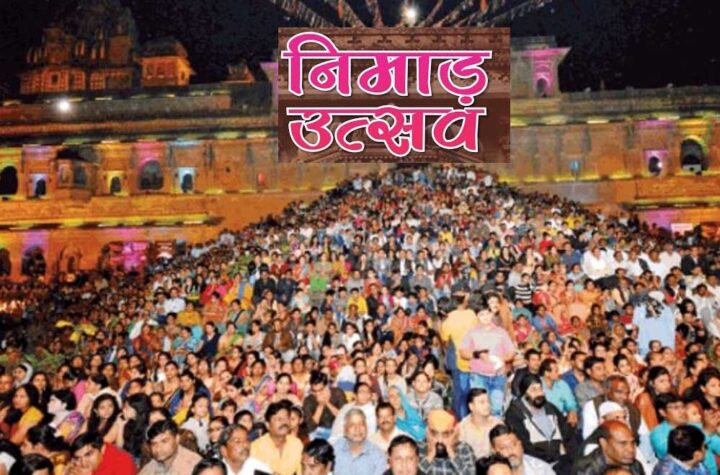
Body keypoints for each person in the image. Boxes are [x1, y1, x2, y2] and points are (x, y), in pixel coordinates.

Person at [459, 298, 516, 417]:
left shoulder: (501, 332)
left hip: (498, 377)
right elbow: (463, 352)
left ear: (492, 314)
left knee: (496, 410)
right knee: (479, 410)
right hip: (478, 376)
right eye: (481, 315)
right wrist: (477, 354)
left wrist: (502, 359)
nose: (485, 317)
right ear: (477, 317)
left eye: (487, 313)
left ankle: (495, 428)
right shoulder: (472, 332)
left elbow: (511, 352)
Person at [504, 374, 574, 465]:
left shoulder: (551, 408)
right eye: (533, 389)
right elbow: (524, 445)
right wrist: (546, 460)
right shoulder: (515, 413)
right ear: (524, 394)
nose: (539, 393)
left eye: (540, 388)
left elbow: (567, 434)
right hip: (534, 463)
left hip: (560, 461)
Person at [572, 420, 645, 475]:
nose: (631, 449)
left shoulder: (635, 466)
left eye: (632, 443)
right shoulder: (585, 469)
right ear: (603, 443)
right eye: (623, 444)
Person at [250, 401, 303, 475]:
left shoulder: (296, 444)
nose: (284, 422)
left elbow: (300, 472)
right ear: (267, 424)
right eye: (279, 419)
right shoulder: (255, 447)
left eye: (286, 418)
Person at [417, 409, 475, 475]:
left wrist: (452, 454)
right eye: (435, 434)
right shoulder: (419, 449)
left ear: (453, 434)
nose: (440, 440)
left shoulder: (464, 449)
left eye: (445, 434)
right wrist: (430, 455)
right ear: (428, 433)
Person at [332, 408, 386, 475]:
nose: (357, 429)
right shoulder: (336, 449)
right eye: (352, 425)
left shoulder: (378, 456)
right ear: (345, 430)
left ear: (366, 428)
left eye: (361, 424)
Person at [488, 424, 555, 475]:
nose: (510, 451)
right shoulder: (490, 471)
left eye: (513, 445)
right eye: (503, 448)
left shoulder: (541, 470)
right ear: (494, 451)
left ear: (521, 444)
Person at [458, 388, 502, 460]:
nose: (487, 405)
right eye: (482, 402)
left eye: (488, 401)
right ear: (471, 406)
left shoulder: (497, 424)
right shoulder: (462, 428)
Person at [65, 431, 136, 475]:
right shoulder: (80, 463)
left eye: (88, 455)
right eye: (78, 458)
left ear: (102, 449)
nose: (83, 463)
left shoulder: (123, 463)